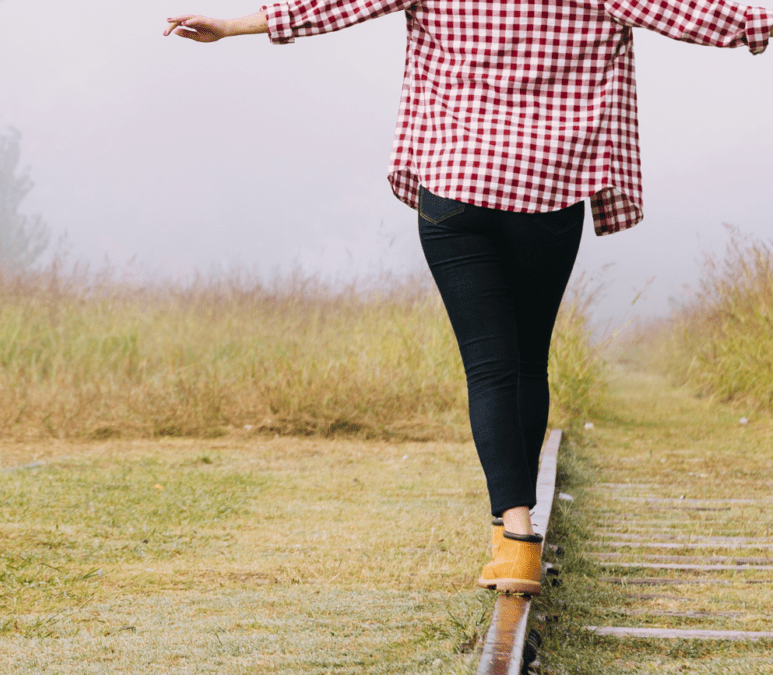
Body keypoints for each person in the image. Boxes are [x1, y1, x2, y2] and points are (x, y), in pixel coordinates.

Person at [164, 0, 771, 595]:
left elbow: (336, 5)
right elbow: (690, 13)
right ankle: (517, 527)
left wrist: (231, 25)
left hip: (457, 186)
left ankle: (514, 539)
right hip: (550, 187)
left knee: (489, 369)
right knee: (528, 360)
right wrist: (757, 22)